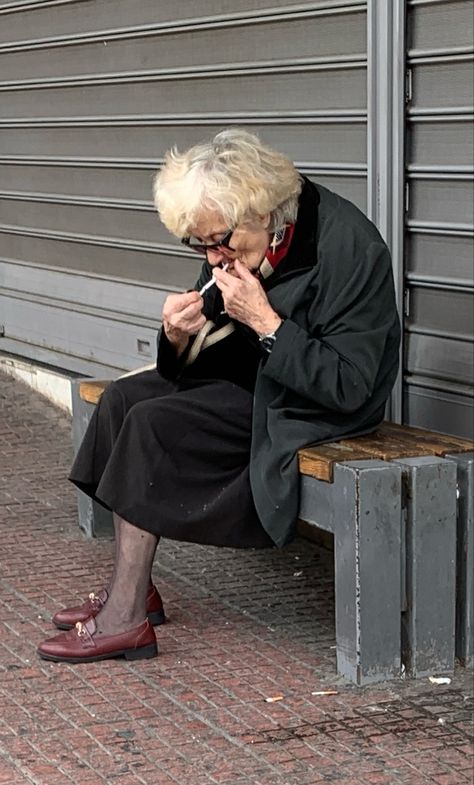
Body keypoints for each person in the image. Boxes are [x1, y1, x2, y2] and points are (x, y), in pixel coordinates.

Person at [37, 128, 400, 663]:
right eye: (199, 245)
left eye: (220, 241)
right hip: (258, 377)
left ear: (262, 211)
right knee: (121, 402)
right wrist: (177, 337)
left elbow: (351, 384)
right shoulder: (234, 239)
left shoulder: (350, 248)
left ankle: (126, 620)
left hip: (316, 404)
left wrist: (268, 324)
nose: (212, 256)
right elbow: (203, 358)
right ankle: (133, 587)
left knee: (152, 425)